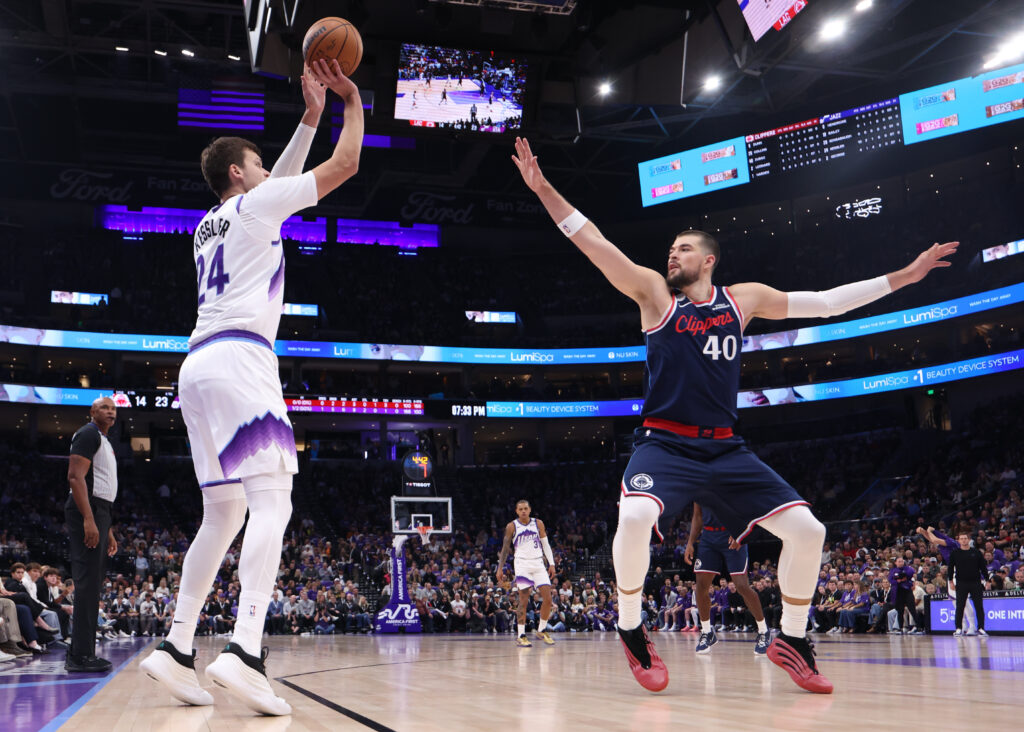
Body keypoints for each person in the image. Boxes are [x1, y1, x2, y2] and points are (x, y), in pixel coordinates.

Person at [511, 135, 957, 695]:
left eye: (682, 249)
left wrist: (904, 277)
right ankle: (630, 628)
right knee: (632, 519)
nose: (671, 255)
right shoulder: (653, 294)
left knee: (809, 531)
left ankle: (791, 639)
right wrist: (543, 187)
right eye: (670, 249)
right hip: (664, 445)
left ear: (709, 259)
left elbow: (826, 301)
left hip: (725, 448)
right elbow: (594, 242)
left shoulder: (742, 300)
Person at [139, 58, 364, 717]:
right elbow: (341, 169)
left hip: (196, 367)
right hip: (241, 361)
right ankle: (244, 646)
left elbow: (280, 182)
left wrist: (309, 116)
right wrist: (351, 105)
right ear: (239, 174)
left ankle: (176, 647)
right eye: (260, 164)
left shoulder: (211, 225)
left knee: (224, 513)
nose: (270, 172)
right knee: (274, 502)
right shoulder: (256, 205)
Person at [65, 396, 119, 672]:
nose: (110, 412)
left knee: (92, 585)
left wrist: (105, 527)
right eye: (104, 408)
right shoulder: (87, 433)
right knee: (87, 585)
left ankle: (80, 652)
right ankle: (80, 656)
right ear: (92, 412)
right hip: (88, 510)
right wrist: (89, 519)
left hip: (100, 511)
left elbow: (101, 485)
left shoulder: (103, 439)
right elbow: (75, 477)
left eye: (113, 409)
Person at [684, 503, 771, 655]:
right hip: (708, 538)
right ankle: (707, 632)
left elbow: (746, 508)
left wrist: (740, 532)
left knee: (742, 586)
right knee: (701, 587)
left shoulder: (730, 480)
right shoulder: (698, 483)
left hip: (732, 534)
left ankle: (764, 631)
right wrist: (690, 542)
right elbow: (697, 516)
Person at [496, 500, 557, 647]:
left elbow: (545, 544)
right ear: (517, 511)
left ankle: (541, 630)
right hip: (522, 563)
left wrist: (552, 563)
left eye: (526, 508)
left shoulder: (538, 523)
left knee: (548, 599)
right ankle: (521, 635)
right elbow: (505, 548)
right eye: (520, 509)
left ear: (530, 510)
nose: (523, 511)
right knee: (523, 599)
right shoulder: (512, 526)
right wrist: (500, 568)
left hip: (538, 562)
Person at [918, 526, 976, 633]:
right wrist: (923, 532)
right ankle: (963, 626)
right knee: (955, 601)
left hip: (961, 571)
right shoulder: (944, 543)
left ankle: (972, 626)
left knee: (964, 601)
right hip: (952, 571)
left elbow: (934, 539)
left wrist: (930, 531)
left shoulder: (952, 542)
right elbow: (932, 539)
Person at [949, 533, 988, 637]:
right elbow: (950, 568)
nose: (963, 540)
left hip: (975, 582)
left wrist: (987, 580)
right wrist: (950, 581)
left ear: (969, 540)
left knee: (979, 606)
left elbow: (983, 567)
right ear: (958, 541)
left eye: (965, 538)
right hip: (961, 583)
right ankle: (959, 628)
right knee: (960, 606)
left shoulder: (976, 552)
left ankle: (981, 628)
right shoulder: (955, 553)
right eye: (961, 539)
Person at [887, 557, 917, 634]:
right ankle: (900, 628)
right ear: (896, 563)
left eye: (902, 561)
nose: (901, 562)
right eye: (899, 561)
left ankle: (918, 626)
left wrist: (901, 577)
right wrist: (899, 579)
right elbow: (891, 579)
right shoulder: (893, 570)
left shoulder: (907, 568)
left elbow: (910, 573)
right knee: (900, 611)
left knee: (912, 609)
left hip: (907, 591)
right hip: (898, 592)